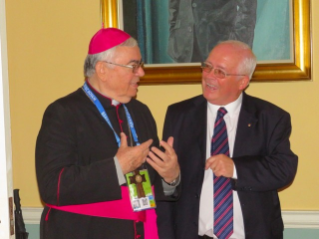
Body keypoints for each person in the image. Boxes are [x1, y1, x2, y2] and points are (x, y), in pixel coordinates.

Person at [36, 28, 180, 239]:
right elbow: (52, 186)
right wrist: (117, 168)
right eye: (134, 66)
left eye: (140, 66)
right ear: (102, 70)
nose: (141, 73)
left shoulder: (140, 112)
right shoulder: (63, 112)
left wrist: (170, 177)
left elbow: (146, 188)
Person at [156, 40, 298, 239]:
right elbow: (169, 186)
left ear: (242, 82)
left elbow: (284, 169)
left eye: (220, 72)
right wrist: (170, 177)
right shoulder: (180, 115)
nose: (209, 76)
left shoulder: (270, 117)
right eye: (207, 67)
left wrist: (236, 169)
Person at [168, 0, 257, 63]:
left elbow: (247, 11)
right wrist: (174, 29)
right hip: (182, 45)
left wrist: (240, 47)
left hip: (219, 42)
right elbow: (174, 5)